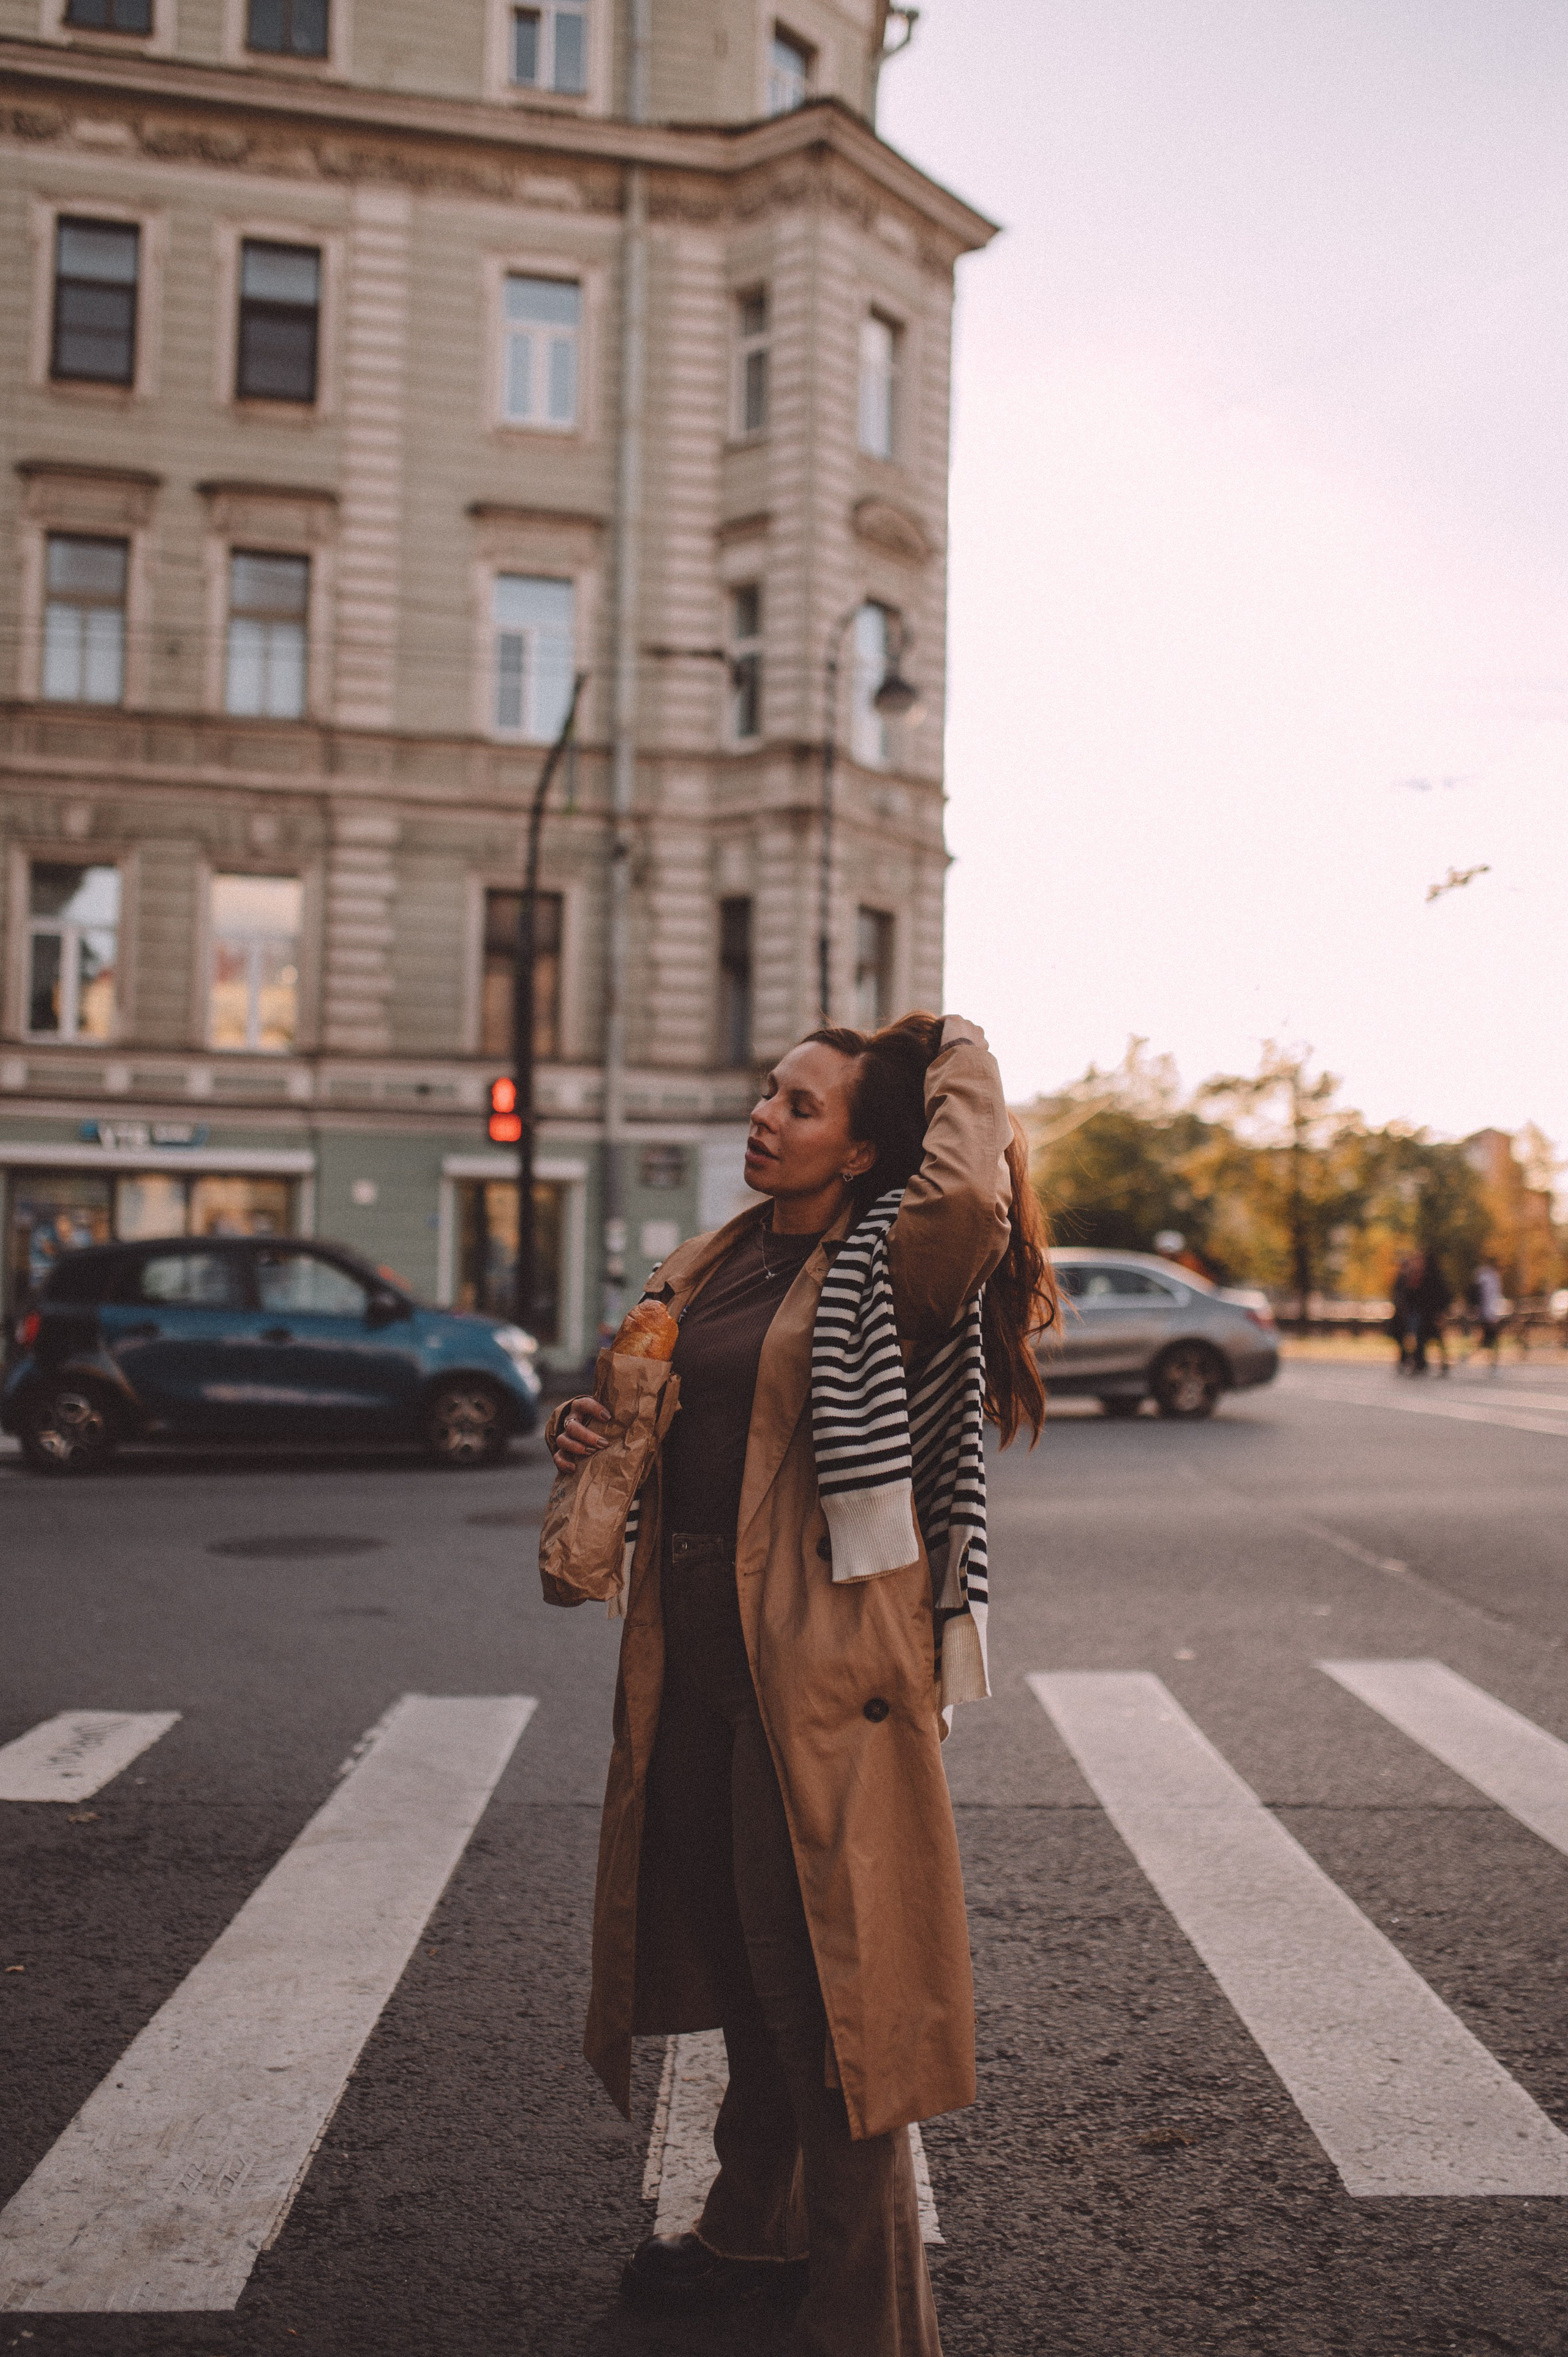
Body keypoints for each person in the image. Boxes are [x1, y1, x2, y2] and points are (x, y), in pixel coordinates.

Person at [545, 1012, 1055, 2356]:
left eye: (804, 1104)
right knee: (752, 1971)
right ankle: (749, 2231)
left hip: (818, 1680)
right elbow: (687, 1425)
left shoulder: (889, 1271)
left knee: (839, 2008)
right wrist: (596, 1432)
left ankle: (874, 2319)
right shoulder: (713, 1264)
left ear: (866, 1148)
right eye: (769, 1092)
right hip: (698, 1663)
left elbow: (963, 1190)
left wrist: (956, 1045)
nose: (764, 1115)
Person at [1468, 1255, 1506, 1372]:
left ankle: (1490, 1361)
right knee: (1491, 1339)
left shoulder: (1482, 1276)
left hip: (1487, 1312)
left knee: (1489, 1339)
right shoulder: (1489, 1278)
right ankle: (1491, 1362)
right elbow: (1488, 1297)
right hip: (1488, 1313)